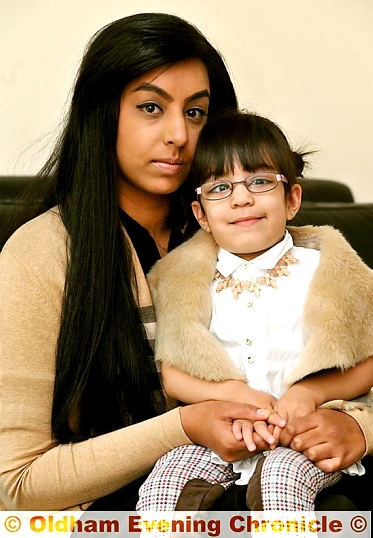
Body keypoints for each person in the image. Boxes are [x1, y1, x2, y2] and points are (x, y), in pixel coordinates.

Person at [0, 12, 369, 513]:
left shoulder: (265, 233)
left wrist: (358, 428)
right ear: (102, 113)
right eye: (151, 108)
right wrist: (184, 425)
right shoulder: (40, 255)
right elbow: (14, 485)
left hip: (290, 486)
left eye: (196, 113)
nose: (178, 134)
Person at [137, 109, 373, 513]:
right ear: (201, 215)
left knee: (280, 479)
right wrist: (231, 396)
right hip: (218, 433)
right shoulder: (185, 283)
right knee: (164, 483)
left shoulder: (326, 271)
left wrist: (310, 392)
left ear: (292, 199)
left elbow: (367, 358)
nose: (241, 198)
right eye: (220, 188)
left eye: (260, 182)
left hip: (302, 433)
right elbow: (171, 373)